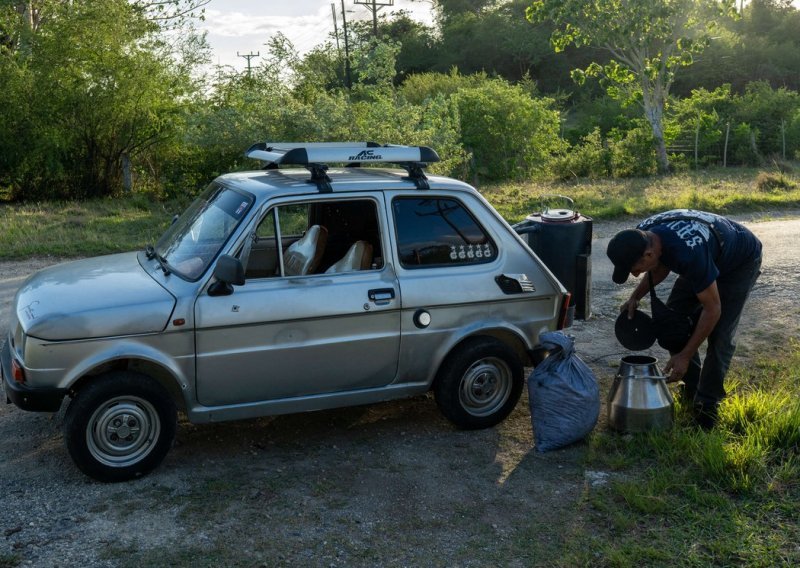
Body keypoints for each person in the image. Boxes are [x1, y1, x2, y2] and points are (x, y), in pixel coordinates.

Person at [606, 209, 762, 429]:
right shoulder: (643, 236)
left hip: (738, 263)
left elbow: (713, 309)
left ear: (648, 255)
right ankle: (692, 387)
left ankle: (707, 406)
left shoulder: (688, 254)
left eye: (635, 269)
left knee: (720, 336)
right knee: (671, 325)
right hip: (706, 256)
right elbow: (660, 265)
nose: (635, 275)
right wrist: (635, 296)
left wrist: (685, 355)